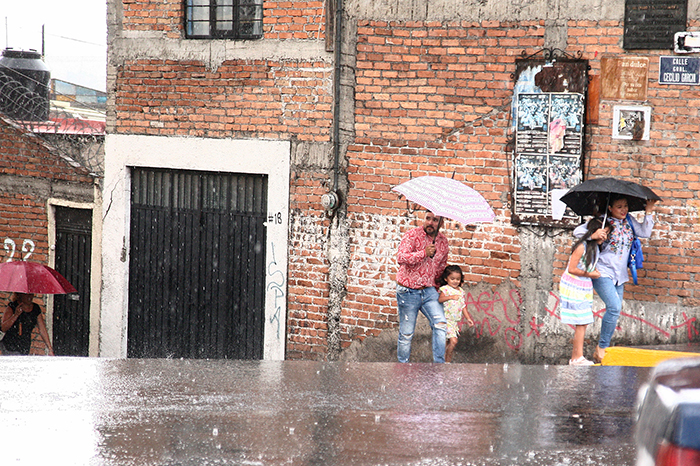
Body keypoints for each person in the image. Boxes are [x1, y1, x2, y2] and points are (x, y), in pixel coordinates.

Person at [573, 194, 657, 363]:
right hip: (602, 271)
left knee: (615, 310)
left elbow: (645, 232)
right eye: (619, 207)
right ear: (610, 208)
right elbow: (577, 232)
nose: (623, 210)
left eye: (625, 206)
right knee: (614, 306)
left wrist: (648, 211)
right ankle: (602, 347)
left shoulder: (629, 221)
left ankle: (602, 347)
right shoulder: (602, 221)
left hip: (620, 275)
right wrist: (594, 234)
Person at [396, 210, 449, 363]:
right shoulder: (412, 235)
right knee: (406, 333)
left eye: (435, 220)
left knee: (440, 325)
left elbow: (440, 267)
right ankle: (403, 367)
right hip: (408, 291)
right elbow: (401, 258)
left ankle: (439, 366)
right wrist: (423, 253)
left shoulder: (443, 242)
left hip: (429, 291)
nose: (430, 223)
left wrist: (441, 288)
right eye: (428, 218)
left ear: (441, 223)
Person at [560, 218, 612, 365]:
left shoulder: (595, 248)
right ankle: (577, 358)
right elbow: (571, 269)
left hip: (584, 285)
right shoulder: (581, 246)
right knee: (581, 322)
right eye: (603, 232)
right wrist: (591, 274)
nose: (605, 236)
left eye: (607, 233)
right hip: (573, 285)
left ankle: (576, 358)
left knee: (583, 322)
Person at [438, 265, 474, 363]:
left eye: (457, 279)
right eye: (452, 279)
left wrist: (468, 318)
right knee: (453, 341)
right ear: (446, 279)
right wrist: (451, 297)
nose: (455, 281)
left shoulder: (461, 292)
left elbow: (463, 306)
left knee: (447, 344)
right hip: (446, 320)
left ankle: (446, 363)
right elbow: (440, 299)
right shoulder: (445, 289)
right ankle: (444, 359)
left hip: (454, 322)